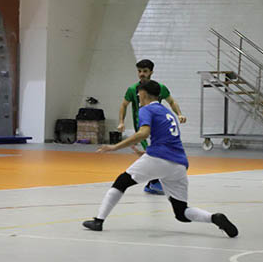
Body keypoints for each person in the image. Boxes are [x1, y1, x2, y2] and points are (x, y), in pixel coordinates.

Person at [85, 80, 238, 237]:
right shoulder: (167, 112)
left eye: (139, 93)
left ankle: (98, 220)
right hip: (179, 164)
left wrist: (115, 147)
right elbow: (167, 140)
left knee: (121, 182)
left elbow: (143, 133)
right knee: (181, 212)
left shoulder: (146, 109)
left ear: (143, 93)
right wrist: (146, 155)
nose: (138, 95)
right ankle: (214, 218)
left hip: (159, 158)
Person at [118, 59, 187, 195]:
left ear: (151, 72)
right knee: (153, 153)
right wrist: (121, 121)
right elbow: (124, 105)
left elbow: (171, 101)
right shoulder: (133, 89)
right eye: (139, 71)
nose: (141, 74)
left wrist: (179, 114)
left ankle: (154, 182)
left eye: (145, 71)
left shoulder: (159, 88)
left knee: (156, 154)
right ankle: (153, 183)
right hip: (143, 127)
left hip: (157, 127)